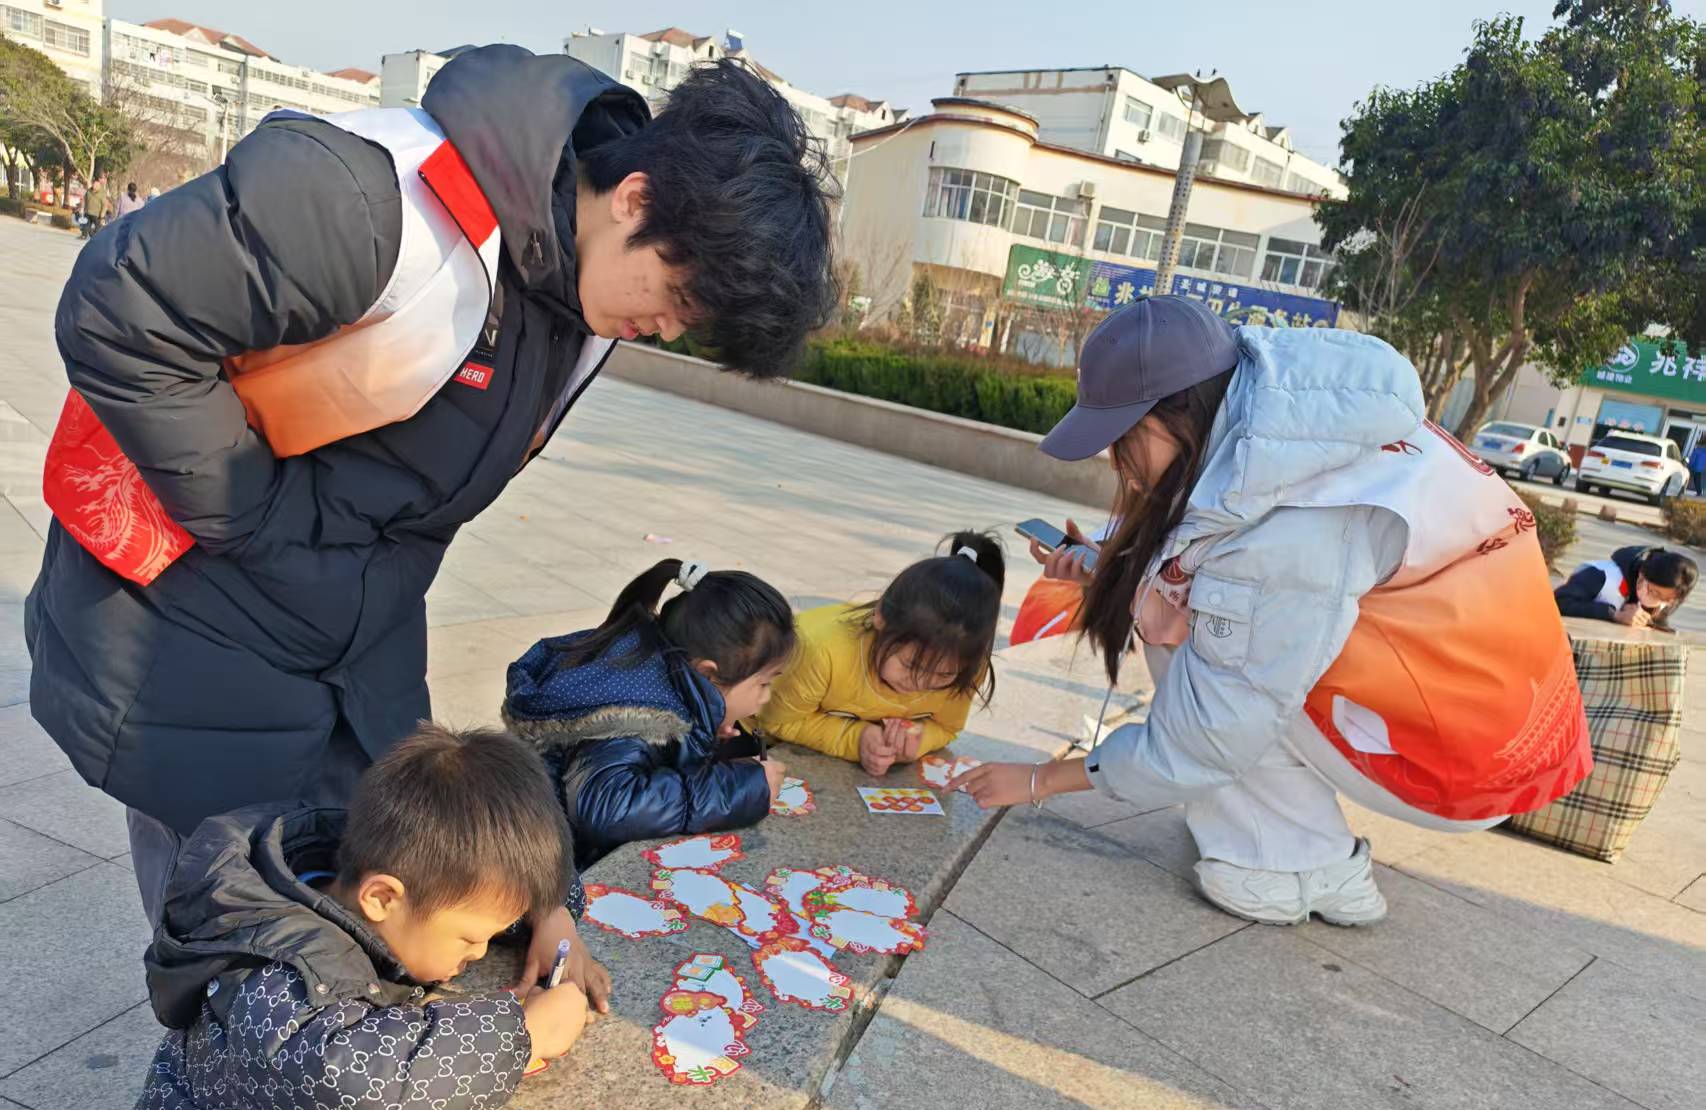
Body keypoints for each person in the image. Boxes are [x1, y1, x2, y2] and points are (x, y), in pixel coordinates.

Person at [28, 46, 835, 933]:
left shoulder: (578, 310)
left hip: (340, 651)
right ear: (634, 198)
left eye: (691, 323)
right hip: (187, 642)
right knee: (240, 967)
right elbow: (121, 308)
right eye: (677, 296)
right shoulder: (377, 204)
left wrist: (541, 893)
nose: (668, 328)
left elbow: (405, 515)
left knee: (368, 922)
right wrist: (253, 515)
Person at [951, 296, 1591, 926]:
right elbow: (1208, 546)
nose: (1118, 462)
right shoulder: (1292, 418)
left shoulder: (1293, 528)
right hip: (1496, 712)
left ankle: (1301, 864)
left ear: (1178, 413)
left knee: (1199, 644)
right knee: (1192, 612)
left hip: (1475, 758)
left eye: (1123, 438)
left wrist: (1037, 780)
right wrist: (1107, 563)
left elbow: (1212, 729)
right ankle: (1274, 829)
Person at [88, 725, 596, 1110]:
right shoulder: (274, 980)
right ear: (382, 897)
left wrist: (551, 914)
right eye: (471, 939)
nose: (479, 952)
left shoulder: (384, 875)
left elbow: (494, 881)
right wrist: (521, 1036)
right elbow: (352, 1083)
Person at [504, 559, 795, 865]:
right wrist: (740, 787)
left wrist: (699, 731)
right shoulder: (630, 715)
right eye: (763, 683)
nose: (766, 697)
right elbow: (609, 807)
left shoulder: (658, 673)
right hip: (544, 867)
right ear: (708, 674)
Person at [758, 533, 1004, 776]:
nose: (919, 683)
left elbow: (947, 727)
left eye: (943, 675)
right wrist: (857, 739)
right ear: (880, 617)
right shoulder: (822, 652)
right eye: (910, 665)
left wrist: (918, 740)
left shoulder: (968, 666)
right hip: (754, 736)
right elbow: (779, 721)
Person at [1554, 545, 1697, 631]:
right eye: (1654, 592)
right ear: (1642, 574)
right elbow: (1559, 602)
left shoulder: (1670, 596)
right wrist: (1614, 615)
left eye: (1666, 599)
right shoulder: (1602, 575)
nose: (1658, 602)